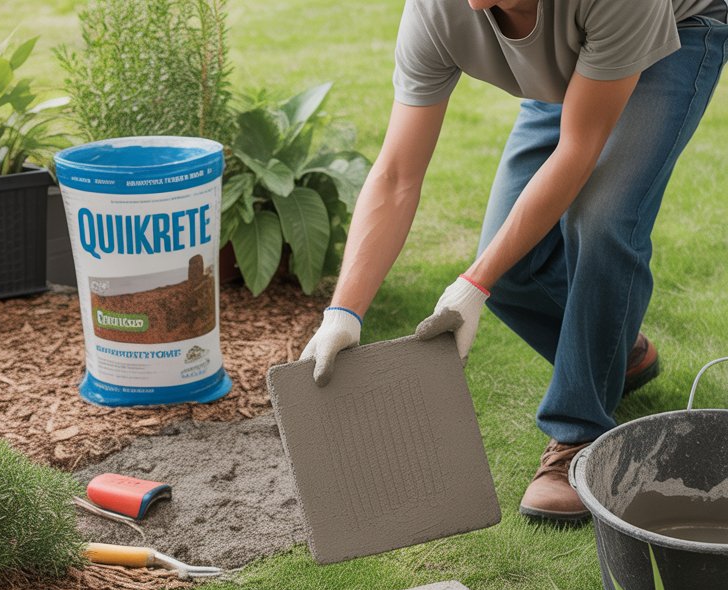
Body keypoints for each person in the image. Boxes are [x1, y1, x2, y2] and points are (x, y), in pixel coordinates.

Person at [301, 0, 728, 522]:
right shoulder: (437, 11)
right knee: (510, 269)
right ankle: (618, 350)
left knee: (601, 218)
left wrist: (473, 282)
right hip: (574, 64)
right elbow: (395, 175)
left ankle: (578, 435)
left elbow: (580, 147)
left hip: (673, 33)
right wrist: (343, 313)